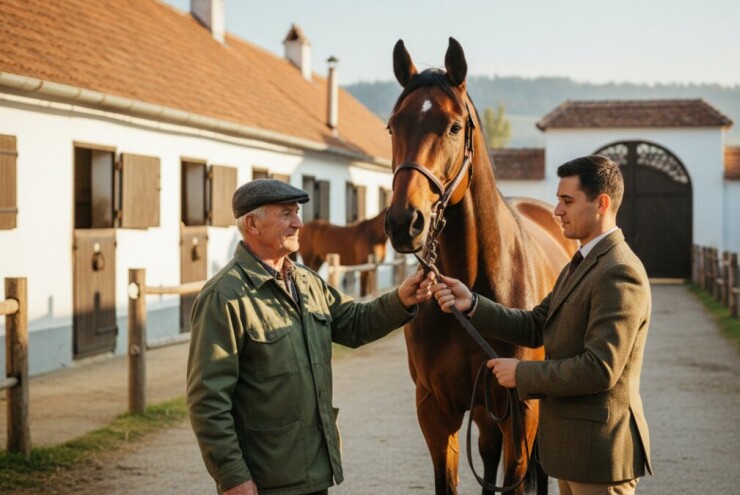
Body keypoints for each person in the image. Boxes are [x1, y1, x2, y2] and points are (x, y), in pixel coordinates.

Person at [186, 179, 429, 495]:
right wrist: (232, 476)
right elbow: (207, 400)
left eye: (297, 213)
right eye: (286, 214)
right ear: (252, 224)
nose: (299, 223)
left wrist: (401, 299)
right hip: (265, 479)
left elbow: (354, 323)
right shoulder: (224, 297)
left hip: (314, 470)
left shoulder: (306, 282)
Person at [431, 155, 652, 495]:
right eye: (558, 200)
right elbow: (536, 325)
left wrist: (520, 375)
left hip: (599, 456)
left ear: (602, 203)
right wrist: (472, 303)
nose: (557, 211)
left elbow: (600, 369)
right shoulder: (579, 264)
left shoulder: (619, 272)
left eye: (567, 201)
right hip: (571, 453)